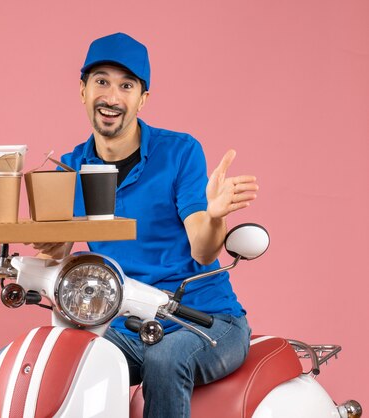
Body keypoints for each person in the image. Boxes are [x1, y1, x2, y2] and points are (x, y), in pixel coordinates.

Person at [33, 33, 258, 418]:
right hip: (129, 324)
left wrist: (216, 213)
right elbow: (58, 250)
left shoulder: (180, 151)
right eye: (101, 81)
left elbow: (203, 249)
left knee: (165, 358)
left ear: (142, 98)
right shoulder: (71, 166)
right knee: (64, 360)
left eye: (126, 85)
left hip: (207, 322)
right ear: (83, 90)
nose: (112, 96)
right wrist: (49, 245)